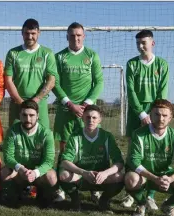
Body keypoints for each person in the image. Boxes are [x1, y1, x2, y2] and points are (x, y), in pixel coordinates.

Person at [53, 22, 104, 203]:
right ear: (67, 37)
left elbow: (99, 82)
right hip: (66, 110)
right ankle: (61, 188)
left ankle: (94, 188)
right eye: (72, 35)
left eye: (79, 35)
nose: (76, 38)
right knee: (65, 150)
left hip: (87, 111)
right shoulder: (59, 57)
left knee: (89, 149)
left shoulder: (92, 56)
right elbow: (55, 83)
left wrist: (86, 105)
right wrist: (69, 103)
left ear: (84, 36)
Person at [125, 99, 174, 216]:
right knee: (131, 178)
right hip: (144, 177)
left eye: (165, 115)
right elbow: (134, 161)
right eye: (157, 114)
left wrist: (170, 179)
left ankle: (168, 205)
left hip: (165, 176)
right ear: (150, 115)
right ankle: (141, 203)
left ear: (170, 118)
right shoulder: (138, 134)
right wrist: (155, 178)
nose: (161, 118)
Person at [122, 29, 170, 209]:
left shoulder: (162, 64)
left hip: (156, 112)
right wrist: (142, 114)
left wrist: (154, 114)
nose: (141, 46)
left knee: (152, 154)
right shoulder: (132, 64)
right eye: (138, 44)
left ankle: (150, 195)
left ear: (152, 43)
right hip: (136, 113)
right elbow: (131, 91)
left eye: (144, 43)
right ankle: (130, 194)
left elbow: (162, 92)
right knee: (133, 153)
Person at [59, 105, 124, 213]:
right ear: (83, 118)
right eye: (88, 117)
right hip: (82, 176)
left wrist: (105, 173)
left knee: (120, 176)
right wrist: (83, 172)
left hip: (101, 177)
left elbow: (119, 162)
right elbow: (65, 161)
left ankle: (104, 201)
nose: (91, 120)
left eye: (94, 118)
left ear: (100, 119)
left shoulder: (107, 136)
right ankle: (75, 201)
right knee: (64, 174)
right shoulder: (75, 136)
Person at [0, 99, 59, 208]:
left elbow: (49, 161)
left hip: (38, 174)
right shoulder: (12, 131)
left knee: (51, 175)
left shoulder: (46, 133)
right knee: (5, 172)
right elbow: (8, 157)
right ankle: (15, 193)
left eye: (31, 115)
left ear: (37, 115)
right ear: (20, 115)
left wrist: (36, 172)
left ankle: (44, 194)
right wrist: (21, 168)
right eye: (24, 115)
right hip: (20, 173)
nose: (28, 119)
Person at [4, 18, 56, 129]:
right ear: (22, 33)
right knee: (15, 137)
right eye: (27, 33)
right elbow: (8, 80)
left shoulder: (47, 53)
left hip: (39, 103)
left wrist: (36, 100)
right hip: (17, 103)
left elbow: (51, 81)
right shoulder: (13, 53)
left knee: (42, 137)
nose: (30, 36)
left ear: (39, 33)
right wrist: (20, 101)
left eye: (33, 33)